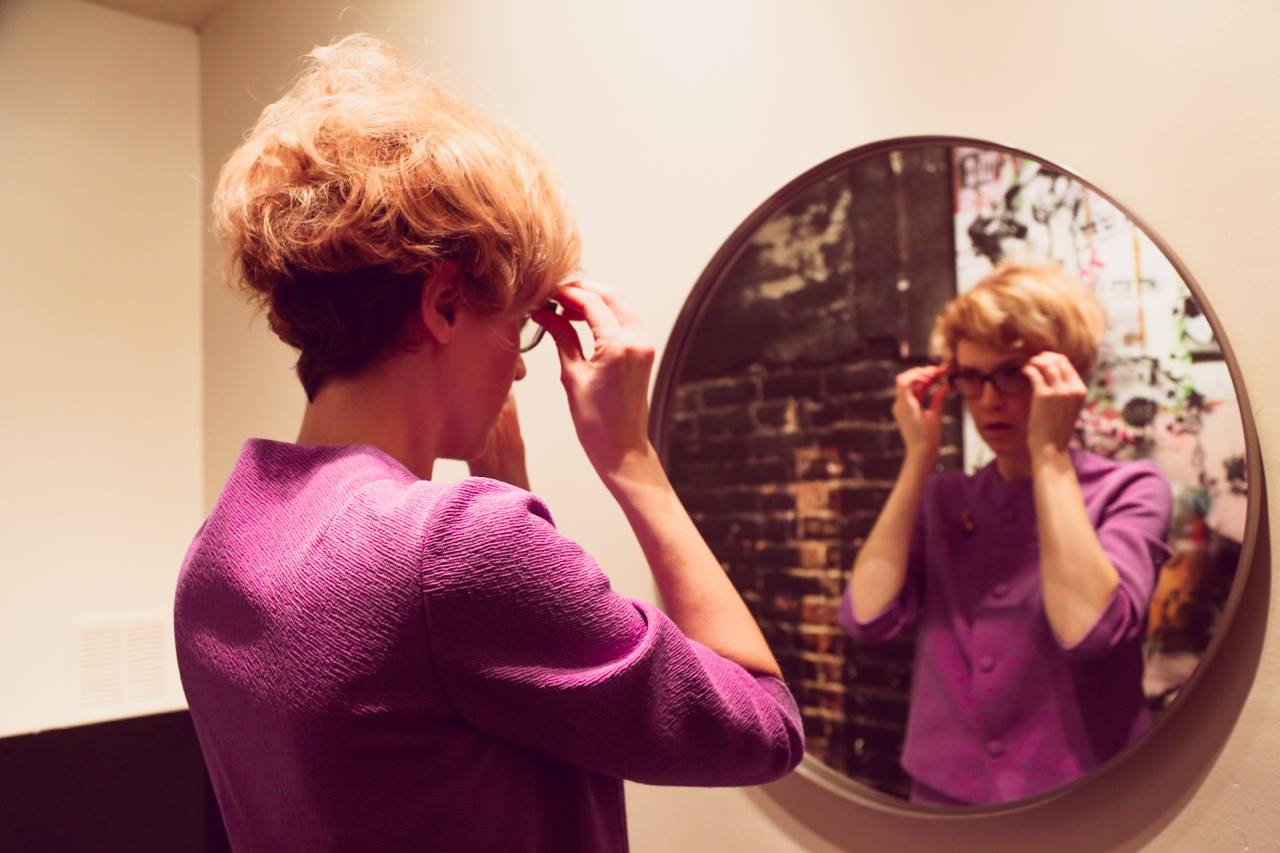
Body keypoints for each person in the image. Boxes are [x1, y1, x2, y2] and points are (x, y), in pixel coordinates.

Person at [174, 34, 803, 852]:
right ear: (443, 305)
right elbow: (763, 725)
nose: (519, 367)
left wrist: (503, 485)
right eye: (522, 326)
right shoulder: (452, 548)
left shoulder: (219, 551)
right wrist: (632, 460)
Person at [839, 260, 1172, 806]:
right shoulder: (947, 497)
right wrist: (918, 457)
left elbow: (1090, 633)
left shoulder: (1131, 490)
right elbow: (866, 617)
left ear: (1069, 376)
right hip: (944, 796)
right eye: (971, 378)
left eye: (1014, 373)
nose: (989, 400)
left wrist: (1049, 454)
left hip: (1085, 794)